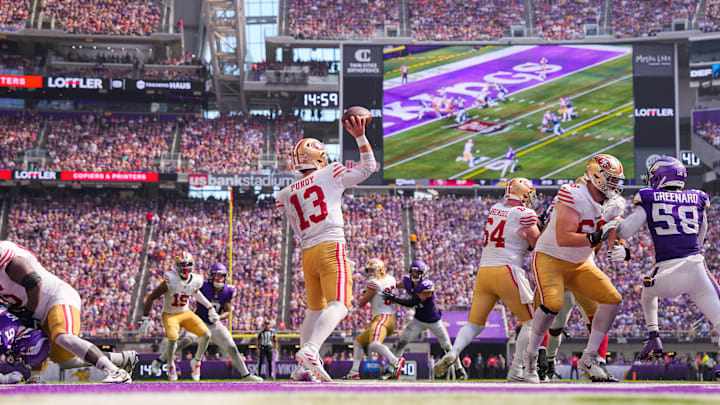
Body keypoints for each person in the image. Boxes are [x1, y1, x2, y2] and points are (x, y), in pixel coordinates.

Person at [276, 114, 376, 382]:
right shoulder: (330, 172)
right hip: (330, 245)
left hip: (308, 251)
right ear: (318, 156)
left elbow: (296, 228)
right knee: (340, 305)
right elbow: (368, 168)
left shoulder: (286, 192)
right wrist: (360, 137)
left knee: (315, 310)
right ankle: (310, 350)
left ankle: (300, 368)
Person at [523, 154, 625, 383]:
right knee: (551, 310)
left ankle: (593, 361)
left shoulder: (611, 203)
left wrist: (620, 247)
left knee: (601, 306)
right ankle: (537, 358)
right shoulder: (570, 197)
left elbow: (613, 233)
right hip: (554, 258)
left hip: (582, 262)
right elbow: (558, 233)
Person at [434, 178, 540, 382]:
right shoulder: (525, 214)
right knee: (532, 323)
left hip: (484, 272)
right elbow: (536, 243)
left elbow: (514, 233)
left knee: (475, 323)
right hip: (508, 270)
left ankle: (454, 352)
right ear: (524, 194)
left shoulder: (495, 208)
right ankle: (516, 370)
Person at [615, 157, 720, 362]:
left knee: (647, 293)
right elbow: (702, 232)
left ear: (661, 177)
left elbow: (626, 232)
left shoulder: (649, 196)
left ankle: (654, 337)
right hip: (696, 268)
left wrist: (614, 223)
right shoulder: (697, 197)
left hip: (666, 272)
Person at [0, 240, 133, 383]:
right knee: (66, 361)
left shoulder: (6, 257)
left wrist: (28, 314)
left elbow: (34, 283)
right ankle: (122, 358)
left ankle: (116, 372)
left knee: (63, 337)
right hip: (33, 310)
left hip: (55, 298)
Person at [149, 262, 261, 381]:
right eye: (216, 275)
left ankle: (246, 375)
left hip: (215, 324)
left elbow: (228, 311)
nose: (219, 279)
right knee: (185, 341)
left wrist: (219, 317)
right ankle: (160, 360)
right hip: (199, 320)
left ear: (225, 277)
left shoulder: (228, 290)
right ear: (211, 276)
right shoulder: (202, 285)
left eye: (221, 276)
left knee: (232, 348)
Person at [139, 252, 218, 381]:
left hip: (185, 312)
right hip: (170, 314)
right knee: (173, 338)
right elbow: (152, 296)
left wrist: (210, 307)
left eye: (187, 265)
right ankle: (170, 365)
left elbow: (195, 293)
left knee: (206, 335)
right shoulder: (171, 279)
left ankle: (196, 362)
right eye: (182, 264)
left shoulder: (196, 280)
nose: (185, 268)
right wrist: (145, 318)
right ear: (176, 266)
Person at [382, 260, 466, 380]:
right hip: (419, 320)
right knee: (401, 343)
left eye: (418, 272)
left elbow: (412, 302)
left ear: (423, 273)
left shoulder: (427, 286)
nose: (415, 275)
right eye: (413, 272)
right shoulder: (408, 281)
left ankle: (460, 370)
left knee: (447, 346)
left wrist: (393, 298)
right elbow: (396, 284)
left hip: (434, 320)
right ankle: (391, 370)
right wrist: (383, 287)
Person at [345, 258, 405, 380]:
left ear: (380, 269)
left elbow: (362, 303)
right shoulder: (390, 278)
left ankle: (395, 361)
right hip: (388, 318)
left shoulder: (374, 283)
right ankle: (354, 372)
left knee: (374, 344)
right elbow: (396, 285)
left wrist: (363, 294)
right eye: (369, 270)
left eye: (372, 270)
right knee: (358, 341)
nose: (370, 273)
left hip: (382, 317)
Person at [0, 304, 49, 384]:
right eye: (22, 356)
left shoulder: (28, 326)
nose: (20, 359)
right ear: (23, 344)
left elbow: (38, 347)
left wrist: (35, 375)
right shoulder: (4, 339)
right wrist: (4, 379)